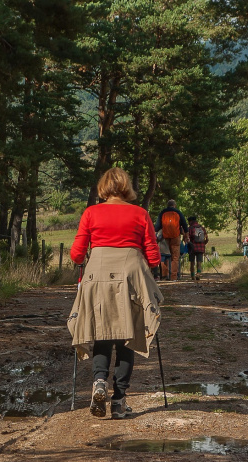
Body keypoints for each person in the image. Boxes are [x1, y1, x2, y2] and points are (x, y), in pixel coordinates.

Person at [68, 167, 163, 419]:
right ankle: (119, 401)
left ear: (103, 188)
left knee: (101, 331)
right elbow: (153, 256)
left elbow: (77, 254)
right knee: (126, 336)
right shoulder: (140, 214)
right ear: (126, 188)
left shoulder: (91, 213)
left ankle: (99, 382)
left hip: (97, 275)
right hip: (130, 276)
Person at [154, 199, 188, 281]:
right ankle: (174, 277)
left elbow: (157, 227)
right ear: (174, 205)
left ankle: (165, 276)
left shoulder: (162, 213)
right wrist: (186, 235)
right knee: (175, 257)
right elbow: (185, 225)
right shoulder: (178, 212)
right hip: (175, 237)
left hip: (165, 238)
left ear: (167, 205)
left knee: (164, 256)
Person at [186, 216, 209, 280]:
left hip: (192, 247)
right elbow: (207, 238)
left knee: (192, 262)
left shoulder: (190, 228)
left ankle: (192, 275)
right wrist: (203, 244)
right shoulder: (202, 228)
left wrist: (188, 245)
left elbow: (188, 238)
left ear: (190, 221)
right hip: (201, 248)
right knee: (199, 262)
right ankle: (198, 274)